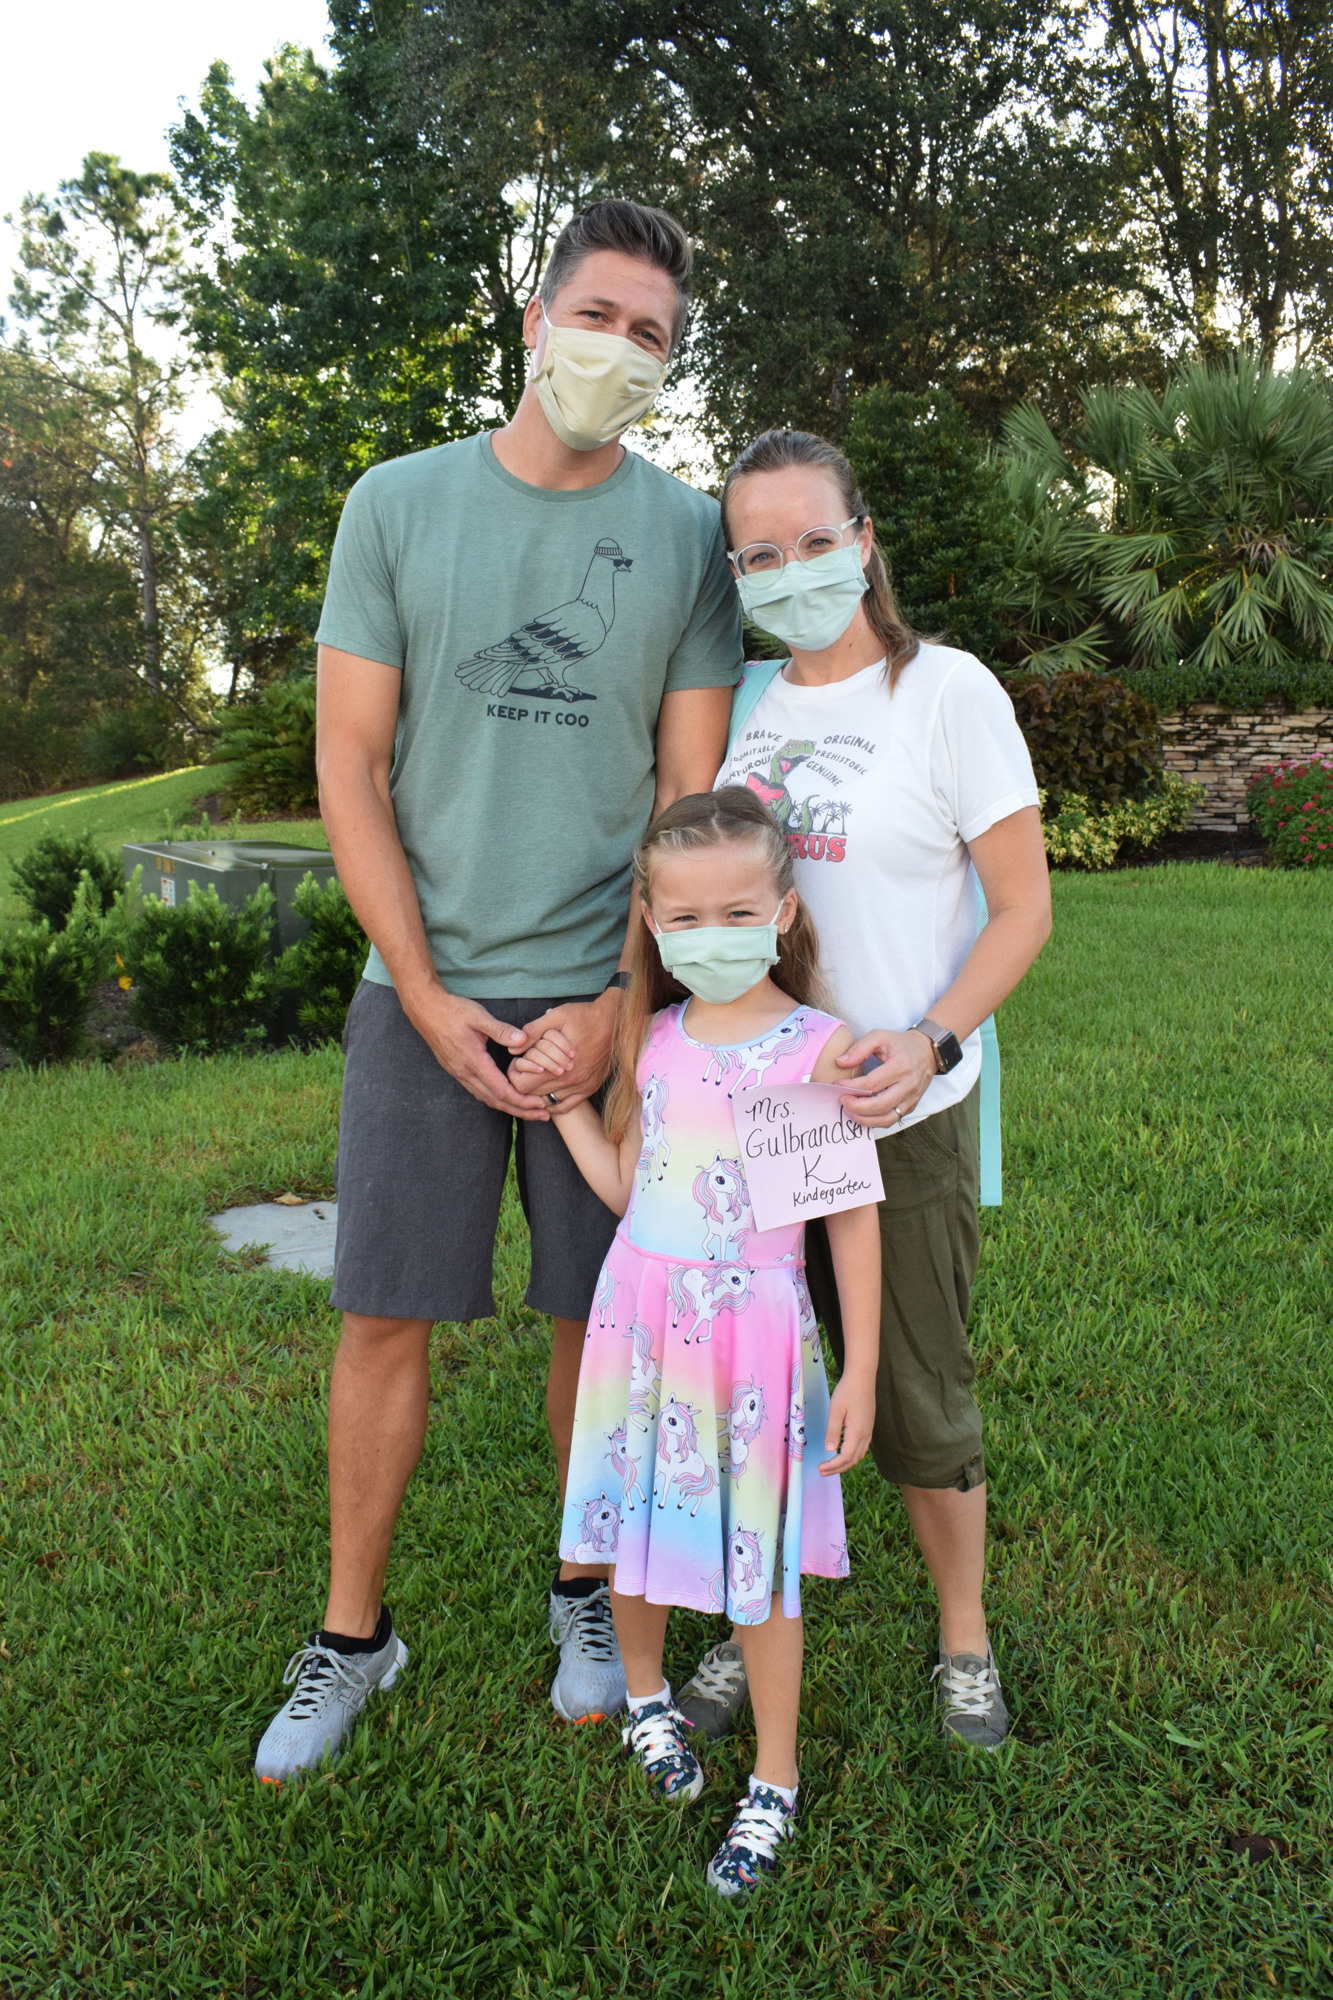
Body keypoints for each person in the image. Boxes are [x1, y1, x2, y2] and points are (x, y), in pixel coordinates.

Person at [253, 200, 744, 1784]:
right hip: (426, 992)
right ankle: (350, 1637)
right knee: (384, 1314)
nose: (620, 350)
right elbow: (349, 765)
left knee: (597, 1322)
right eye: (598, 315)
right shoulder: (396, 506)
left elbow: (687, 802)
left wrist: (618, 1009)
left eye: (652, 335)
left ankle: (584, 1598)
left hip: (607, 1002)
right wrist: (419, 987)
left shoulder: (685, 539)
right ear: (537, 324)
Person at [692, 428, 1052, 1752]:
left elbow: (1021, 911)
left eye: (812, 541)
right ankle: (755, 1615)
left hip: (898, 1109)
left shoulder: (946, 694)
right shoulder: (730, 708)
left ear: (863, 543)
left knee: (914, 1388)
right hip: (754, 1111)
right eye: (760, 553)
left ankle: (961, 1632)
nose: (790, 570)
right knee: (761, 1388)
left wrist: (933, 1041)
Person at [531, 787, 879, 1895]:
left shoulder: (820, 1048)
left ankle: (773, 1775)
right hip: (641, 1316)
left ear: (782, 910)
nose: (709, 937)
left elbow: (846, 1215)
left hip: (759, 1333)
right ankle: (646, 1698)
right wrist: (566, 1113)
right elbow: (634, 1185)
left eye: (737, 913)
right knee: (631, 1521)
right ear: (650, 917)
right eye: (683, 918)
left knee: (760, 1565)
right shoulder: (654, 1037)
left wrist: (861, 1363)